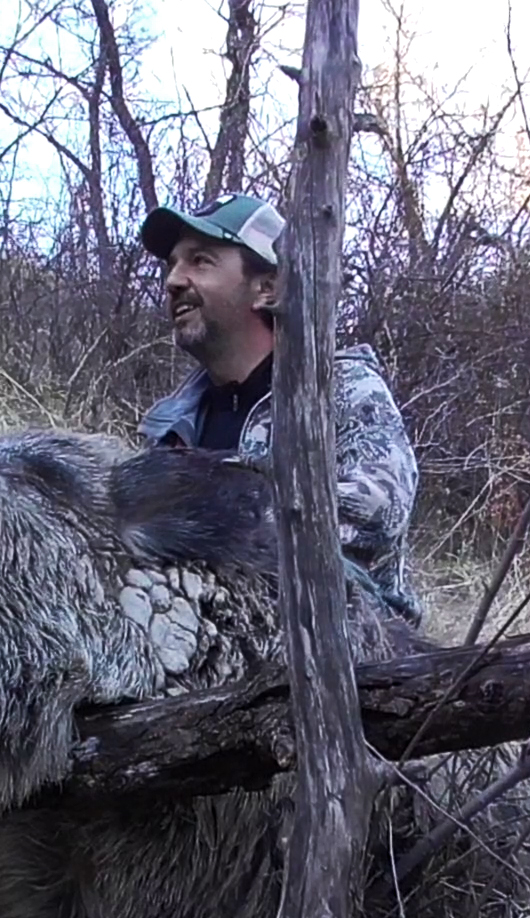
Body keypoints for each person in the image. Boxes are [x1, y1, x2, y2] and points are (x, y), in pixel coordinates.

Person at [135, 191, 425, 628]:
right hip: (207, 641)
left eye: (200, 261)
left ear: (267, 288)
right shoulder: (173, 423)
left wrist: (213, 517)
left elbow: (378, 512)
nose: (173, 281)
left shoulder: (340, 388)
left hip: (351, 646)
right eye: (173, 264)